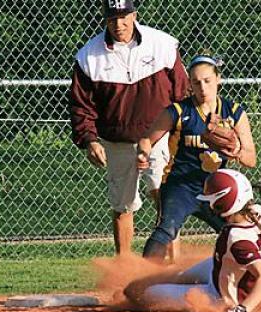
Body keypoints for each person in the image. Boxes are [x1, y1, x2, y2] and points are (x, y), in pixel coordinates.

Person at [69, 0, 189, 255]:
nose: (119, 23)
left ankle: (173, 266)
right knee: (123, 206)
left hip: (158, 138)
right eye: (112, 18)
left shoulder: (163, 45)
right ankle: (124, 268)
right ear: (105, 19)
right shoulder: (89, 55)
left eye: (124, 16)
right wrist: (89, 139)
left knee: (165, 199)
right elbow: (81, 105)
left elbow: (181, 93)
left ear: (134, 15)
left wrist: (183, 132)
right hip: (117, 142)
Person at [124, 169, 261, 312]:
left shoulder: (237, 238)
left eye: (213, 200)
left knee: (142, 295)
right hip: (222, 270)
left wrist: (241, 310)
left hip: (222, 296)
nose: (210, 205)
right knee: (174, 277)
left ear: (223, 203)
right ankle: (156, 282)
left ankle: (148, 289)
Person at [137, 54, 256, 261]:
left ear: (218, 79)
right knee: (166, 229)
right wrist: (143, 153)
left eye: (208, 81)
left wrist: (236, 151)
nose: (202, 88)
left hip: (217, 188)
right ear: (190, 84)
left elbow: (251, 159)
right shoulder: (179, 110)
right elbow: (147, 139)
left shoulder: (233, 112)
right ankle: (140, 281)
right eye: (196, 82)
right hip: (180, 185)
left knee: (241, 230)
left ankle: (247, 281)